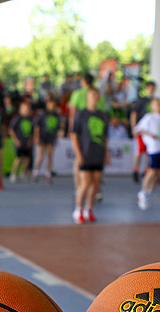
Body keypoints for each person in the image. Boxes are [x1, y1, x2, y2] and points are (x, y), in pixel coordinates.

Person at [70, 88, 110, 223]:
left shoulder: (102, 115)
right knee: (85, 183)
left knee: (96, 184)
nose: (94, 98)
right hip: (85, 153)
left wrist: (106, 153)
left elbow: (105, 136)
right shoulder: (81, 114)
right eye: (92, 95)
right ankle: (78, 209)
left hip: (98, 153)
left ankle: (89, 209)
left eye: (96, 96)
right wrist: (78, 154)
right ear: (87, 98)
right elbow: (74, 135)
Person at [134, 98, 160, 210]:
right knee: (151, 170)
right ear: (152, 106)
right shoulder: (148, 118)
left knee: (158, 171)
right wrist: (149, 134)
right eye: (156, 105)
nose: (159, 106)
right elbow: (138, 129)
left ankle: (150, 191)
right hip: (154, 148)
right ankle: (143, 191)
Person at [130, 80, 156, 182]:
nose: (151, 90)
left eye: (153, 88)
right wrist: (134, 127)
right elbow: (134, 113)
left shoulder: (155, 101)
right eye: (150, 87)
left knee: (149, 151)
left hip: (151, 131)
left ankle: (147, 170)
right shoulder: (141, 100)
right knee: (139, 150)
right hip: (141, 130)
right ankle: (136, 169)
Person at [33, 96, 62, 183]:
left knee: (50, 156)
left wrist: (57, 137)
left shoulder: (56, 115)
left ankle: (48, 174)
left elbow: (57, 127)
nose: (52, 106)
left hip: (51, 137)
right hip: (42, 137)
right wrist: (37, 137)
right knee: (40, 156)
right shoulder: (43, 114)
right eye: (51, 104)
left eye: (54, 104)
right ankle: (35, 172)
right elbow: (37, 126)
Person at [9, 100, 34, 182]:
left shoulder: (31, 119)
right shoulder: (17, 118)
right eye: (24, 108)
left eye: (28, 108)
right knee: (18, 158)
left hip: (27, 142)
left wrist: (30, 140)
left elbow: (32, 131)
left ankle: (23, 173)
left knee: (27, 159)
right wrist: (16, 140)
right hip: (19, 142)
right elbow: (11, 130)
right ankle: (13, 174)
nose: (26, 109)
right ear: (20, 109)